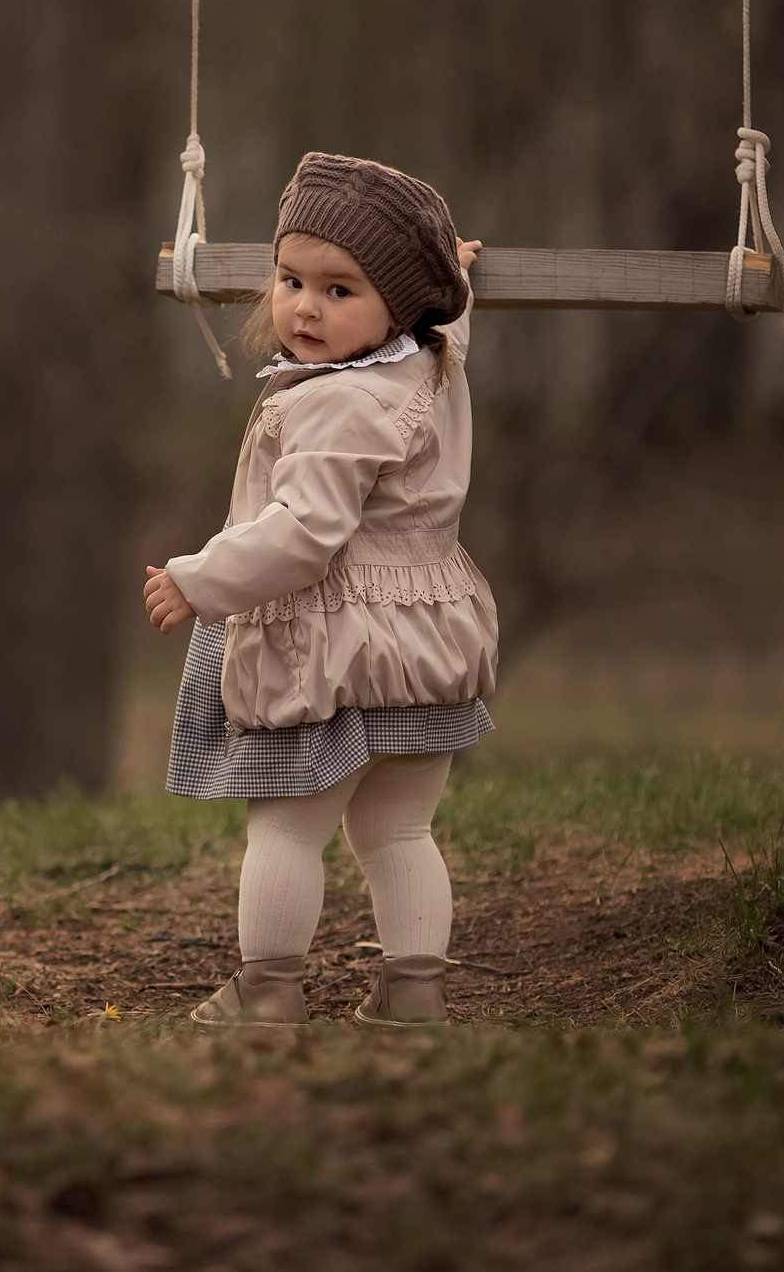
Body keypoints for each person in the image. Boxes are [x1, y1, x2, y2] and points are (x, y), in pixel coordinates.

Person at [143, 152, 496, 1028]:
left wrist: (199, 580)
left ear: (400, 305)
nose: (306, 307)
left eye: (341, 291)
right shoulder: (431, 366)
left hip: (327, 655)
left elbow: (303, 534)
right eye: (292, 279)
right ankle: (414, 993)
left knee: (286, 830)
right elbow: (451, 328)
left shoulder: (337, 405)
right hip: (423, 651)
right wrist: (456, 283)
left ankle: (268, 992)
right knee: (399, 831)